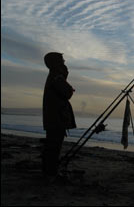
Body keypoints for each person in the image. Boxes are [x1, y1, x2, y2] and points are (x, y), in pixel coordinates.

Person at [42, 52, 76, 181]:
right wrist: (66, 80)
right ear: (57, 62)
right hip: (56, 118)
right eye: (62, 60)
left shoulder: (55, 76)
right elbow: (67, 93)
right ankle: (50, 174)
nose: (64, 62)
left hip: (54, 117)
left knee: (52, 145)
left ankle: (49, 171)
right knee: (54, 146)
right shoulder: (56, 76)